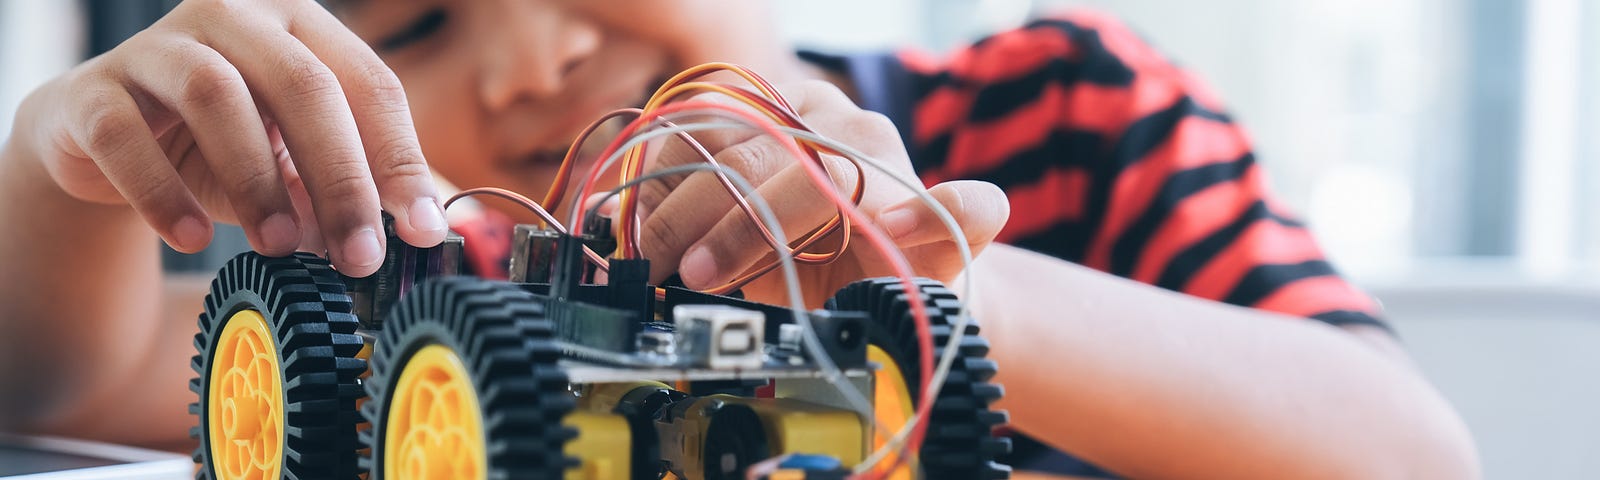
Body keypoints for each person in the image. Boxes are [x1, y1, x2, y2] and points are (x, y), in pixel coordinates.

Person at [0, 0, 1477, 478]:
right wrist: (51, 172)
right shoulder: (484, 282)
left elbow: (1411, 453)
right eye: (418, 29)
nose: (521, 61)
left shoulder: (1069, 108)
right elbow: (71, 381)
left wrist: (917, 277)